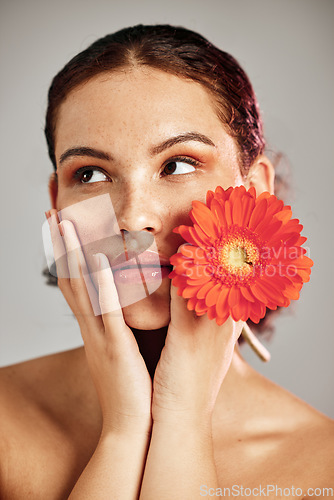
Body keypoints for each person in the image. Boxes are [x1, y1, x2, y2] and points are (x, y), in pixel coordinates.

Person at [0, 24, 333, 499]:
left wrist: (182, 415)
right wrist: (124, 427)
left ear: (256, 189)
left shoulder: (322, 467)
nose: (132, 218)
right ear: (57, 208)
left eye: (177, 165)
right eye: (90, 174)